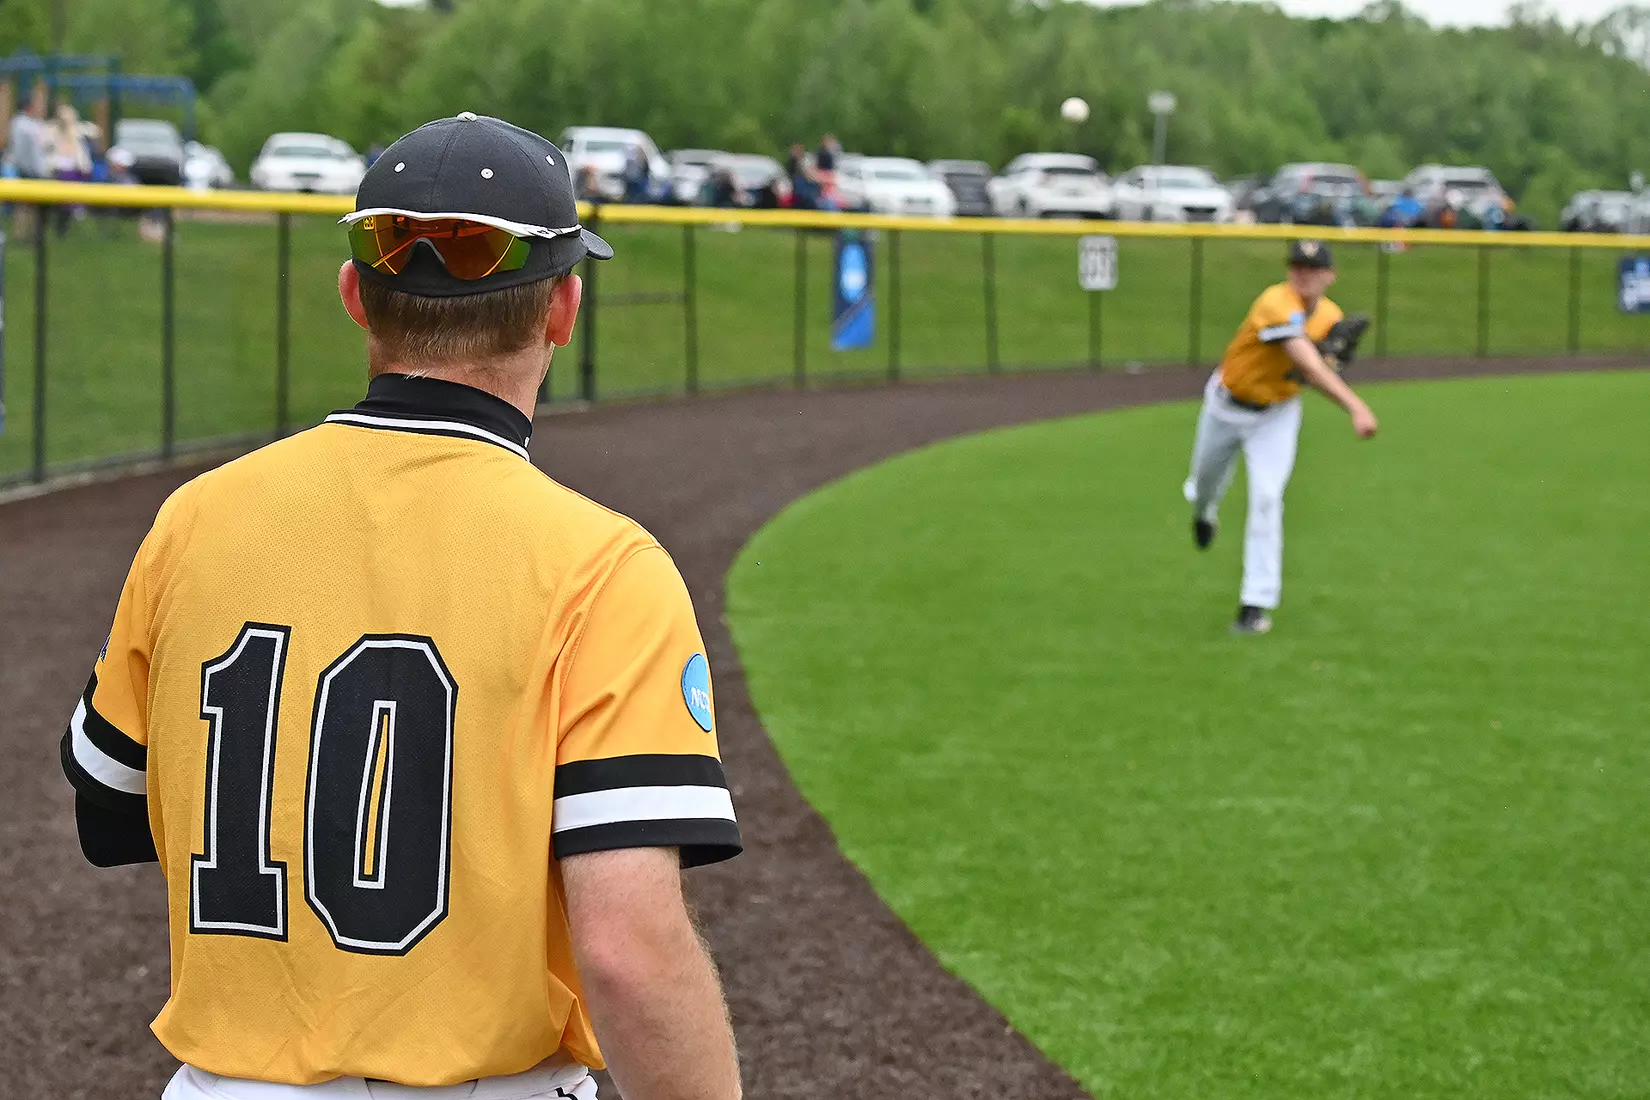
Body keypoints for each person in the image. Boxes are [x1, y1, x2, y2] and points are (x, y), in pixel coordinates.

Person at [60, 112, 744, 1100]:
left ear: (355, 295)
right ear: (563, 307)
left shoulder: (195, 520)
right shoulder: (604, 568)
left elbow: (109, 802)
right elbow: (629, 945)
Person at [1182, 239, 1378, 635]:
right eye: (1297, 266)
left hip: (1276, 415)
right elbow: (1305, 361)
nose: (1303, 274)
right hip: (1226, 405)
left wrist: (1332, 361)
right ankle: (1204, 513)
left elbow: (1315, 371)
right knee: (1204, 484)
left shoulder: (1330, 316)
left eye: (1313, 268)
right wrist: (1355, 405)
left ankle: (1255, 604)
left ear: (1330, 276)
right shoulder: (1274, 302)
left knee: (1268, 498)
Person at [5, 89, 48, 242]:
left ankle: (31, 235)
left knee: (32, 205)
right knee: (23, 204)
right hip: (25, 170)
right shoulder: (21, 124)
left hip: (33, 170)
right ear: (29, 107)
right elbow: (22, 151)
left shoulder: (33, 123)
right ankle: (21, 235)